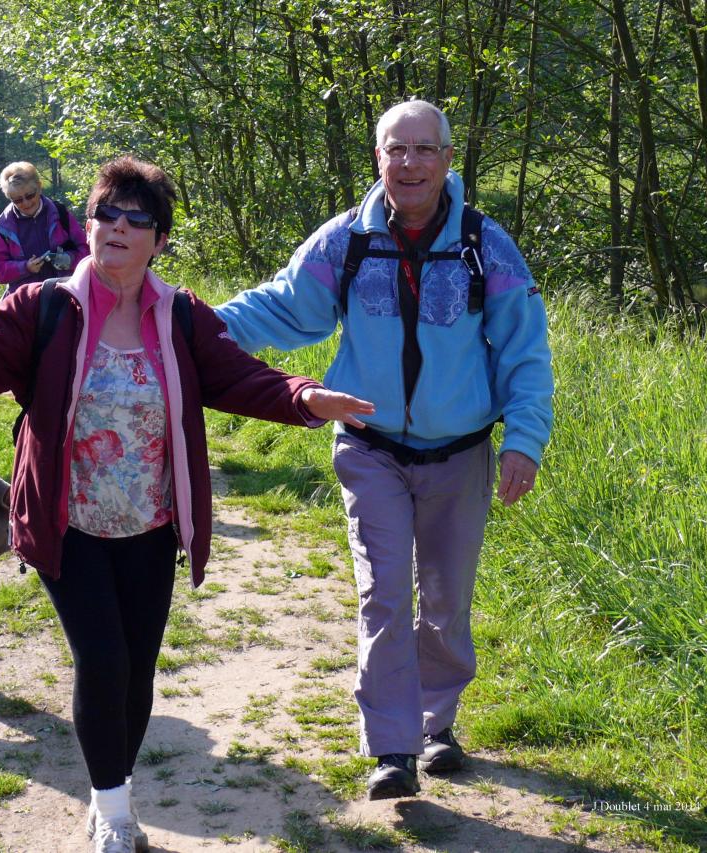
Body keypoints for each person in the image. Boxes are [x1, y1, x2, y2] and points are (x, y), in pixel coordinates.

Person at [0, 156, 375, 853]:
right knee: (102, 660)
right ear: (88, 224)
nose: (119, 227)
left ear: (159, 240)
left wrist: (305, 397)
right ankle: (111, 811)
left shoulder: (182, 316)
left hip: (151, 523)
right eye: (108, 212)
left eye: (138, 219)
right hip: (66, 520)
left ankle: (117, 785)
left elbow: (238, 378)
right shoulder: (43, 306)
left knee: (137, 668)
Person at [213, 100, 555, 800]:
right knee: (385, 597)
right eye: (396, 150)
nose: (410, 164)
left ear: (448, 160)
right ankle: (392, 746)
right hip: (369, 448)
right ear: (378, 159)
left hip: (461, 451)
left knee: (447, 599)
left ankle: (438, 724)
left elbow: (525, 350)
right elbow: (281, 306)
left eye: (424, 149)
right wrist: (186, 327)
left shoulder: (486, 246)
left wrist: (523, 438)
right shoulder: (346, 241)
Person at [0, 161, 89, 294]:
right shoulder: (4, 226)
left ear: (39, 187)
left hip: (65, 294)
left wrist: (69, 259)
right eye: (18, 200)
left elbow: (88, 250)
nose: (26, 203)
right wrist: (25, 267)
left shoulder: (60, 213)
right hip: (25, 301)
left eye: (30, 195)